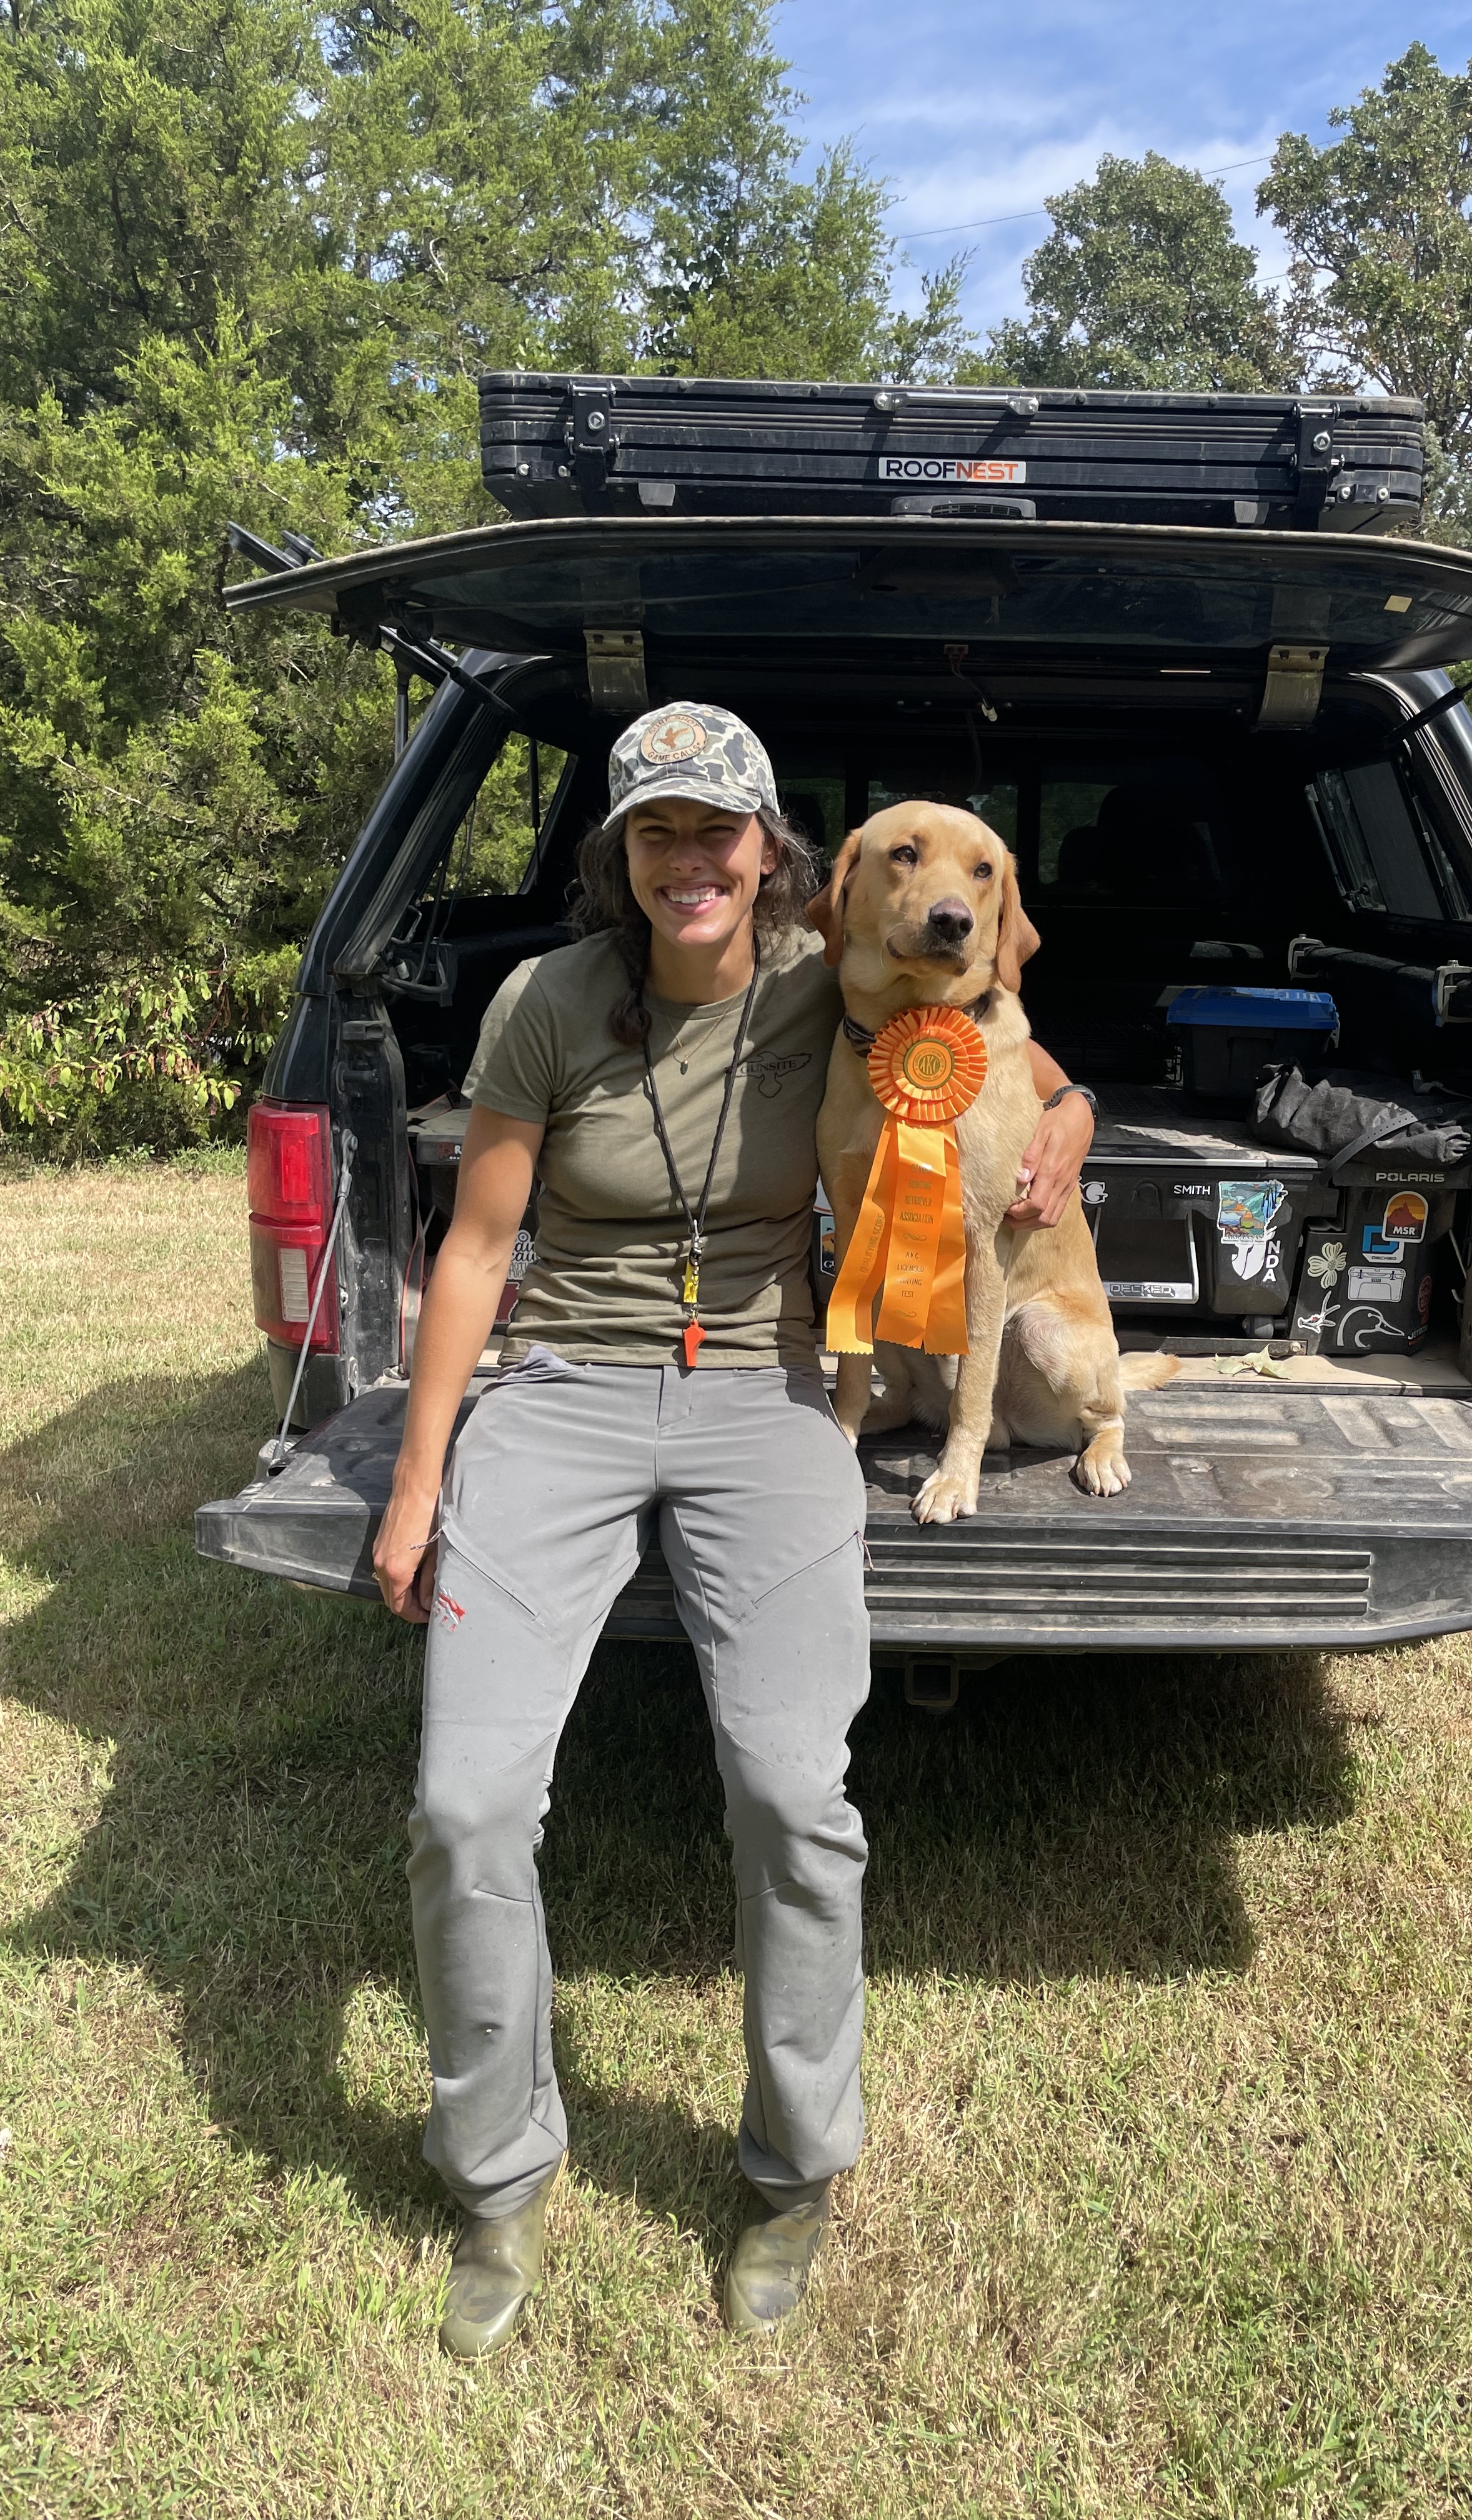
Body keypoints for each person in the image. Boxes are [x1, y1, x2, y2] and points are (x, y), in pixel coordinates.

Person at [370, 702, 1097, 2357]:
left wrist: (1056, 1137)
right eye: (656, 833)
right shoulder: (545, 1004)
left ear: (776, 852)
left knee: (792, 1789)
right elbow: (477, 1254)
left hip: (770, 1394)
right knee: (468, 1805)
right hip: (561, 1390)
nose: (690, 860)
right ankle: (496, 2178)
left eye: (719, 829)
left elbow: (1048, 1080)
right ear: (621, 861)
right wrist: (419, 1485)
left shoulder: (832, 982)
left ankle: (794, 2169)